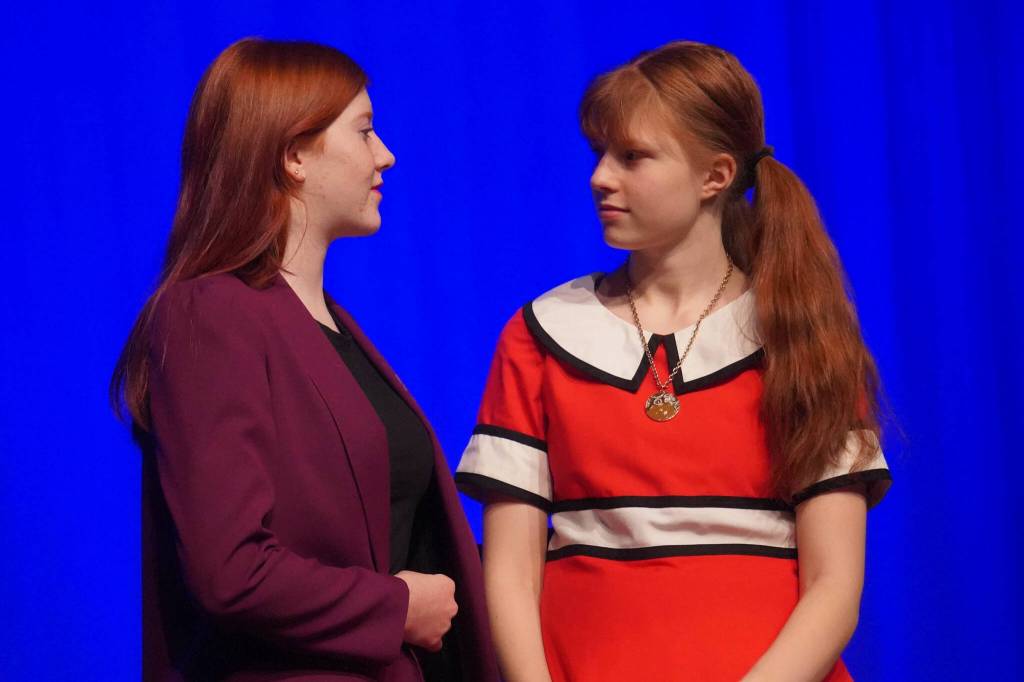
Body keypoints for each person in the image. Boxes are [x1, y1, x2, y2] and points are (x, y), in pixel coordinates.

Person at [455, 41, 891, 682]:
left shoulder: (802, 336)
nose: (600, 176)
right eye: (600, 153)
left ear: (715, 176)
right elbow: (513, 575)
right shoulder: (542, 334)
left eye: (633, 157)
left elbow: (835, 584)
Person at [111, 38, 498, 682]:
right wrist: (396, 608)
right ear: (293, 156)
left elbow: (388, 533)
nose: (386, 155)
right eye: (366, 131)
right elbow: (229, 569)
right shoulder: (211, 312)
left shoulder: (330, 324)